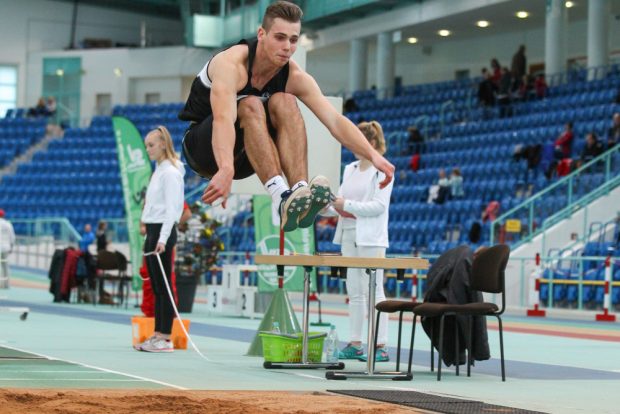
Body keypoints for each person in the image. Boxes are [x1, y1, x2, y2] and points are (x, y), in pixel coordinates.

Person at [179, 1, 394, 233]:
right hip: (204, 150)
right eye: (279, 38)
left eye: (293, 40)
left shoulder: (294, 76)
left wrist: (373, 155)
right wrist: (225, 168)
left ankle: (298, 192)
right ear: (261, 34)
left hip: (249, 154)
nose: (287, 47)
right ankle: (281, 195)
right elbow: (222, 119)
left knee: (285, 100)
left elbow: (334, 120)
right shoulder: (231, 64)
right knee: (250, 103)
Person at [324, 121, 393, 362]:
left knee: (375, 290)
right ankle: (355, 343)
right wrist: (324, 208)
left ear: (371, 143)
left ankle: (381, 345)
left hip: (371, 237)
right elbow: (340, 202)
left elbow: (378, 206)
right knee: (354, 291)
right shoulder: (350, 169)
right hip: (349, 234)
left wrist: (347, 206)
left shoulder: (383, 170)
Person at [134, 126, 185, 353]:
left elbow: (173, 210)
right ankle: (157, 334)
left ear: (164, 144)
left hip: (162, 233)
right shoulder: (158, 171)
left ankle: (165, 337)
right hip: (153, 231)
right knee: (156, 286)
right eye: (146, 146)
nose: (148, 150)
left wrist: (163, 238)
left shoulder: (171, 173)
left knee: (164, 287)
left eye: (151, 145)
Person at [0, 209, 15, 289]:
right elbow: (12, 236)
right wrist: (12, 246)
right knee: (5, 266)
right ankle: (7, 284)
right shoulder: (8, 224)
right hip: (6, 247)